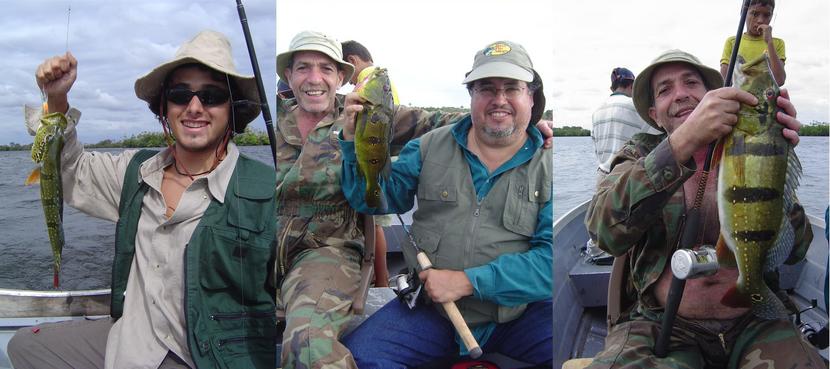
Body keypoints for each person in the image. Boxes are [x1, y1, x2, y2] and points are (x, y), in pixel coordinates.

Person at [8, 30, 278, 369]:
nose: (194, 107)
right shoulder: (135, 172)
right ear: (164, 107)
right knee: (25, 347)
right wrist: (56, 101)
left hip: (205, 357)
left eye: (211, 96)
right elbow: (68, 168)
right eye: (181, 94)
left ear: (232, 109)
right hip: (132, 341)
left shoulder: (270, 190)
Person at [585, 49, 822, 368]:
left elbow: (798, 249)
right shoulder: (637, 159)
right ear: (655, 114)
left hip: (754, 321)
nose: (681, 94)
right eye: (665, 89)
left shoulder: (747, 144)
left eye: (691, 82)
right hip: (662, 325)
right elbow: (603, 233)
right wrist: (681, 145)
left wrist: (776, 157)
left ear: (711, 95)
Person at [339, 40, 553, 368]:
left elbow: (550, 261)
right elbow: (376, 201)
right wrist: (353, 145)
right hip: (431, 311)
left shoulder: (549, 164)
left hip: (520, 315)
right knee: (357, 360)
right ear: (471, 96)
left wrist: (467, 281)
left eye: (512, 88)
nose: (499, 99)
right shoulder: (426, 147)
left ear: (532, 96)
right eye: (485, 88)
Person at [341, 39, 401, 288]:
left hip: (379, 158)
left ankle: (382, 282)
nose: (348, 82)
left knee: (374, 223)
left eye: (346, 70)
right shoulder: (378, 83)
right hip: (377, 157)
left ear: (353, 60)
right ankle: (379, 277)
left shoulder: (371, 80)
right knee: (373, 221)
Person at [591, 67, 660, 187]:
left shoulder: (596, 111)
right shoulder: (637, 107)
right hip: (627, 180)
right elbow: (658, 142)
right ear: (632, 86)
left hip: (602, 178)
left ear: (613, 87)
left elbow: (596, 149)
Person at [720, 0, 785, 86]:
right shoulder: (732, 42)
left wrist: (769, 43)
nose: (760, 20)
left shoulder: (777, 43)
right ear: (743, 14)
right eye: (754, 14)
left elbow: (779, 80)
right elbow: (724, 81)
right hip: (738, 98)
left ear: (772, 16)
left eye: (766, 15)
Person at [341, 39, 400, 104]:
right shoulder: (382, 76)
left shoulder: (368, 73)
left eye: (347, 75)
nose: (350, 82)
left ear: (352, 61)